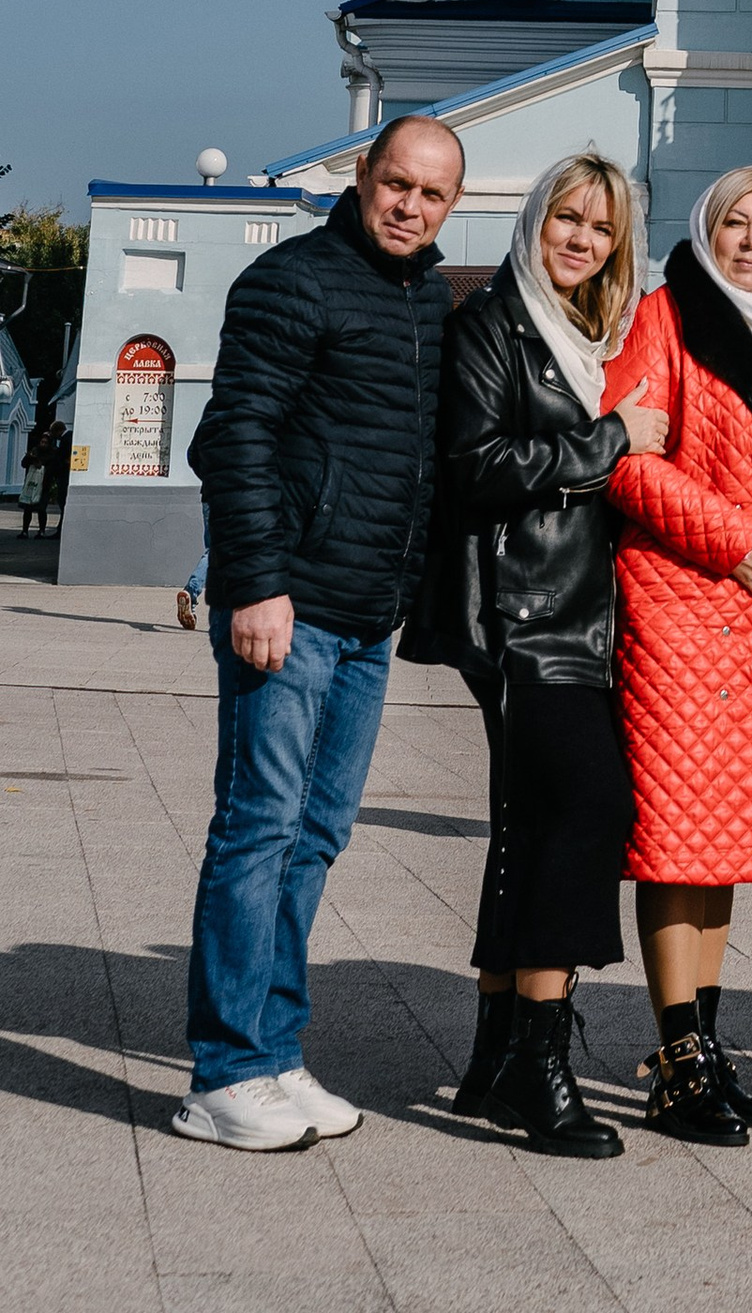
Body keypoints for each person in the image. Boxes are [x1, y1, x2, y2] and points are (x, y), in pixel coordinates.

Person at [176, 112, 464, 1150]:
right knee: (257, 826)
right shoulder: (292, 280)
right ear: (361, 174)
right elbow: (234, 433)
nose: (410, 206)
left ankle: (275, 1049)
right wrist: (254, 584)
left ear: (450, 205)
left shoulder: (426, 294)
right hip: (287, 607)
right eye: (397, 183)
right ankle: (224, 1071)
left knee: (316, 834)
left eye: (432, 194)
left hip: (365, 618)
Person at [404, 152, 659, 1157]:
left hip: (581, 613)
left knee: (521, 825)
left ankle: (493, 1052)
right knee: (591, 806)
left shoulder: (592, 333)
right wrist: (608, 441)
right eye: (567, 217)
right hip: (521, 616)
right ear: (535, 219)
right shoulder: (492, 324)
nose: (581, 239)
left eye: (599, 228)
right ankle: (542, 1070)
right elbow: (476, 467)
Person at [604, 165, 752, 1147]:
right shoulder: (667, 314)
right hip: (685, 604)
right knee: (676, 841)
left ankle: (703, 1045)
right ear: (706, 229)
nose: (751, 239)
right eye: (734, 221)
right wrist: (729, 538)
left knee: (724, 843)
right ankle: (676, 1059)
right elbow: (625, 455)